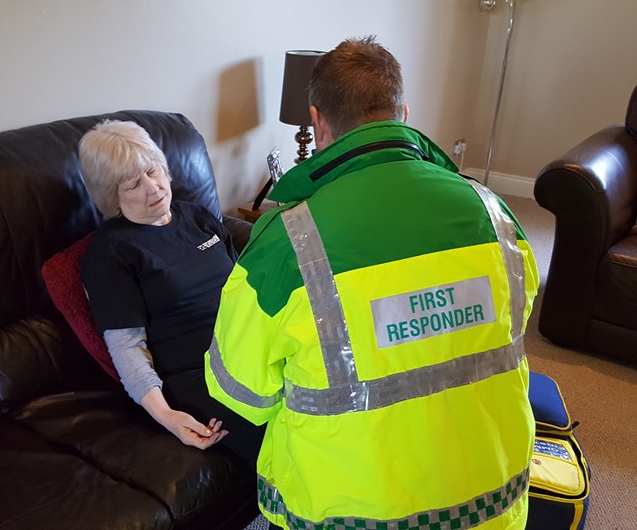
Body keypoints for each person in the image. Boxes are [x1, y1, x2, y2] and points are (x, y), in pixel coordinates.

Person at [205, 36, 539, 529]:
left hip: (347, 516)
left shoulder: (288, 242)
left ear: (317, 122)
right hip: (493, 504)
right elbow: (514, 319)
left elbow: (239, 392)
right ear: (402, 112)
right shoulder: (494, 213)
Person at [78, 120, 263, 465]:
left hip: (251, 351)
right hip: (198, 376)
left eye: (152, 170)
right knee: (286, 442)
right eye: (133, 184)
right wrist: (167, 416)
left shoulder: (198, 216)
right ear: (112, 197)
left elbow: (245, 288)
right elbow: (127, 347)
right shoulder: (111, 252)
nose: (153, 187)